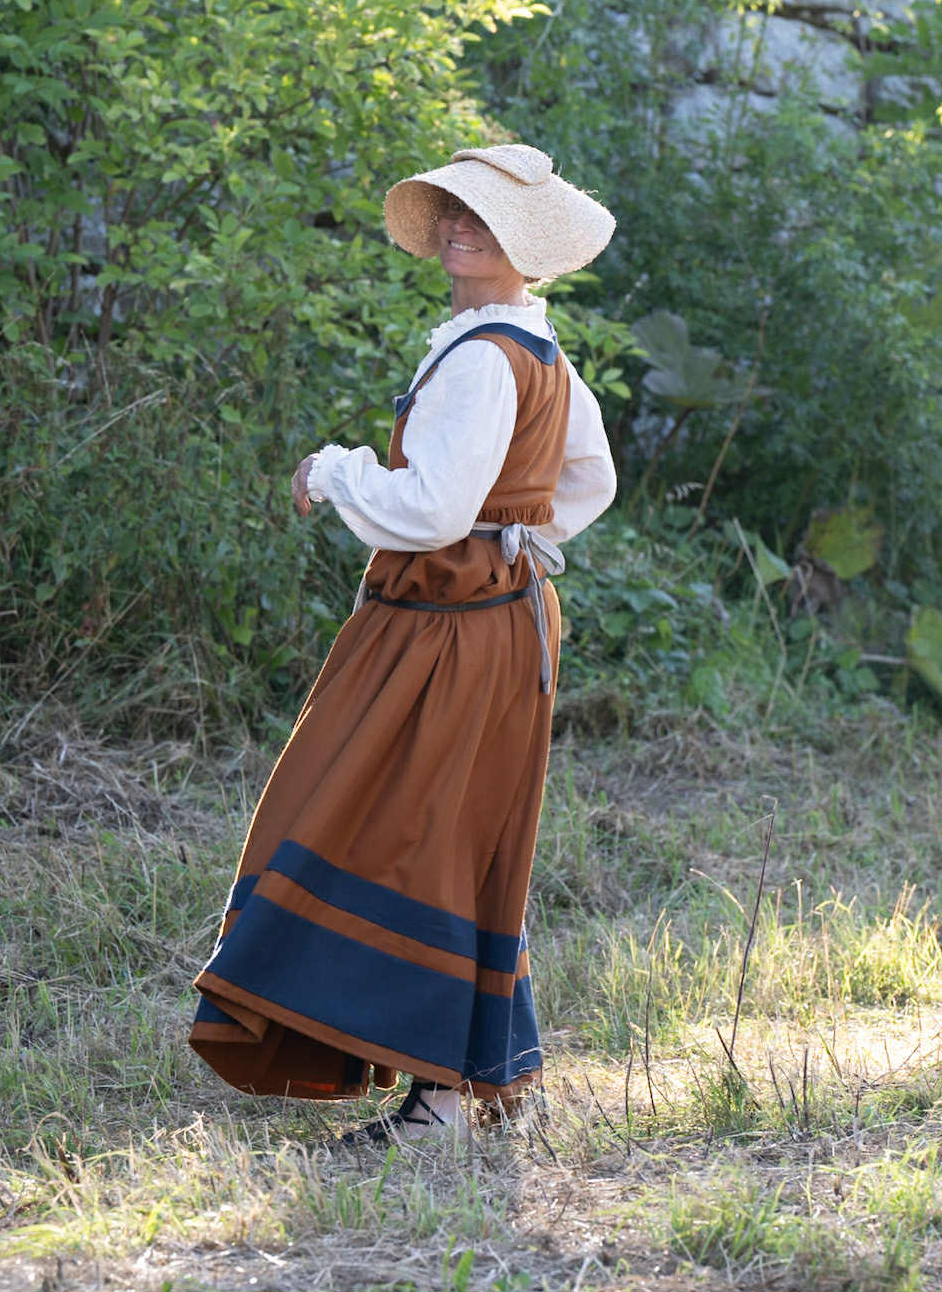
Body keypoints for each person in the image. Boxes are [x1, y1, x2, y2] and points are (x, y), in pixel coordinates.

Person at [187, 144, 620, 1142]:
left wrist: (334, 472)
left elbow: (430, 510)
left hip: (448, 630)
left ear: (523, 242)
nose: (460, 228)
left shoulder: (484, 359)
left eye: (482, 217)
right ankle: (469, 1083)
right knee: (458, 839)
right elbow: (587, 480)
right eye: (453, 211)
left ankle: (437, 1099)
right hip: (500, 623)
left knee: (393, 829)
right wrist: (519, 539)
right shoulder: (533, 349)